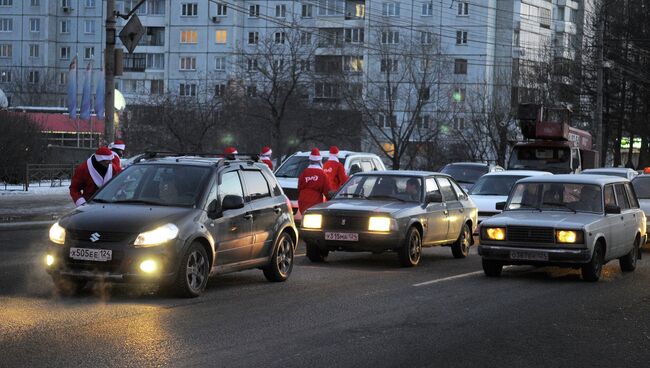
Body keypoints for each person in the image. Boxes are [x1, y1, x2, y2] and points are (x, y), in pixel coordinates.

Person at [298, 148, 331, 215]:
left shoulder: (304, 172)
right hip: (315, 201)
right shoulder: (322, 174)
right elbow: (327, 191)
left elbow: (299, 187)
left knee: (304, 219)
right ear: (319, 161)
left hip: (302, 200)